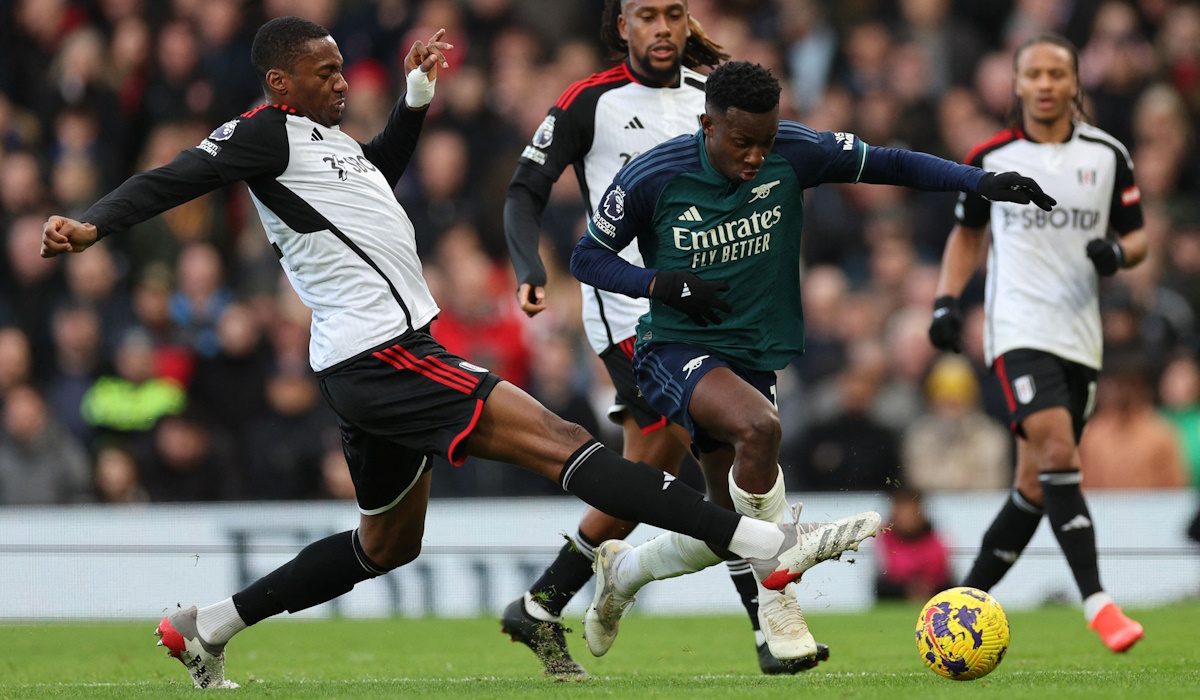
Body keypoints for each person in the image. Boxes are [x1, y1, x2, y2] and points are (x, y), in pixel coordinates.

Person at [39, 18, 879, 690]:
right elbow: (178, 174)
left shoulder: (324, 146)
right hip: (386, 357)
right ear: (279, 83)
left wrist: (412, 100)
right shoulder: (263, 134)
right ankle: (763, 545)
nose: (342, 82)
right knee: (564, 443)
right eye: (327, 74)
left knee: (385, 547)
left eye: (343, 70)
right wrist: (94, 224)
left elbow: (374, 176)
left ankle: (204, 627)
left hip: (370, 364)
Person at [569, 60, 1052, 663]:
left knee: (726, 527)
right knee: (761, 427)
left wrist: (977, 182)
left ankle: (627, 571)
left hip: (753, 358)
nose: (755, 156)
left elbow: (891, 163)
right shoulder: (654, 175)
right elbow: (587, 258)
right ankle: (781, 606)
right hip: (674, 349)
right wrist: (661, 284)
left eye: (765, 142)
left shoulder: (793, 152)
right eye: (742, 142)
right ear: (708, 125)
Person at [502, 0, 818, 676]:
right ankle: (769, 626)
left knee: (647, 475)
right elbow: (524, 190)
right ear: (623, 26)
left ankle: (541, 603)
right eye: (646, 15)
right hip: (630, 318)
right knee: (720, 457)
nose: (662, 28)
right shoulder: (590, 101)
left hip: (712, 320)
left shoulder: (716, 98)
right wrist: (530, 265)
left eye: (673, 13)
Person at [927, 34, 1149, 653]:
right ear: (1018, 85)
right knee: (1056, 446)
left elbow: (1138, 238)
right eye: (1035, 74)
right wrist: (946, 299)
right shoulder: (992, 155)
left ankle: (955, 608)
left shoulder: (1108, 156)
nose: (1047, 84)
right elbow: (968, 235)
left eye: (1058, 73)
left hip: (1081, 336)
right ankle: (1099, 603)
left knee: (1035, 482)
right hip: (1017, 328)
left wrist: (1116, 252)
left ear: (1076, 82)